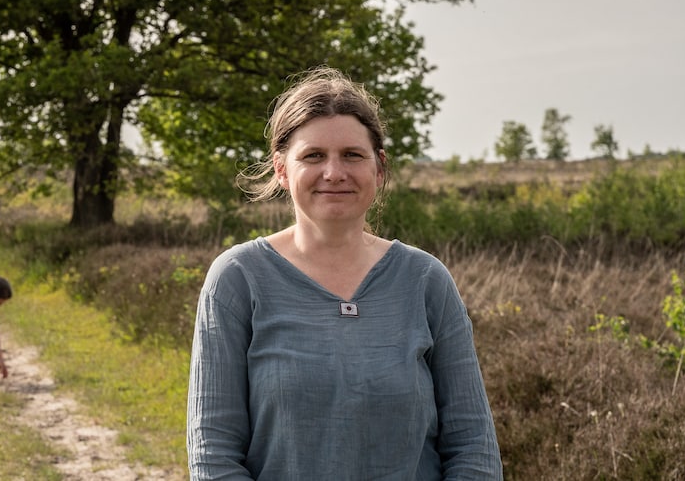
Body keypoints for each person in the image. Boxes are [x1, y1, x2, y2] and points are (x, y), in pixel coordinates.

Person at [187, 67, 502, 479]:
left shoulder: (426, 280)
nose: (334, 172)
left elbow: (473, 445)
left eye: (352, 155)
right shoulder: (237, 279)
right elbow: (213, 454)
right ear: (282, 170)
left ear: (379, 168)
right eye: (313, 156)